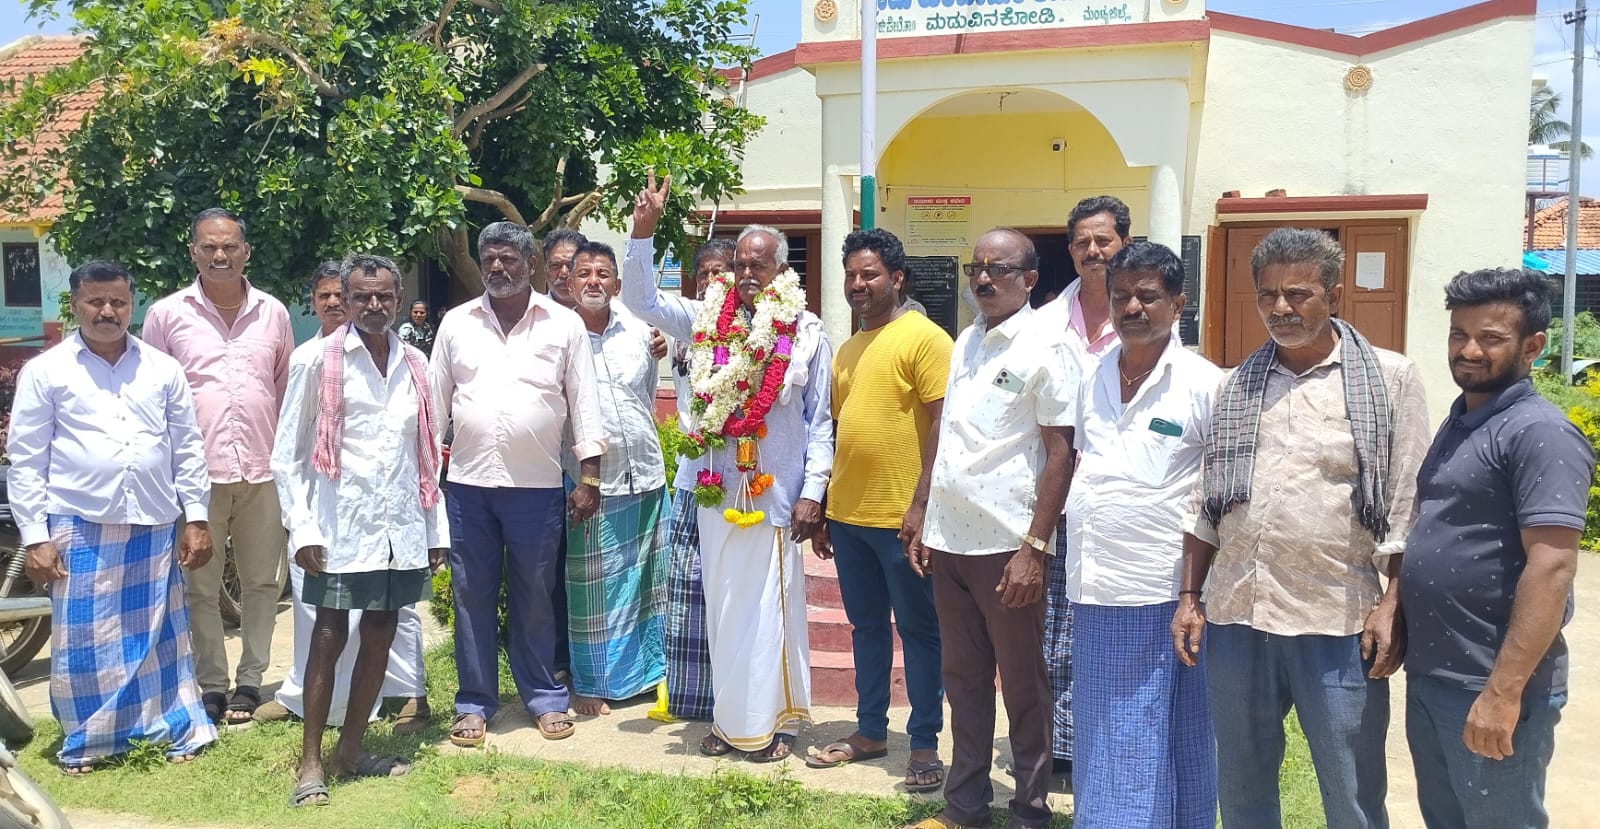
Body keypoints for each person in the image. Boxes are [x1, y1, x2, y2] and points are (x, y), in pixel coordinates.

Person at [1171, 227, 1429, 829]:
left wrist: (1393, 603)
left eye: (1298, 294)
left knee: (1351, 791)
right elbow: (1206, 502)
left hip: (1337, 619)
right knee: (1242, 789)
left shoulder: (1390, 380)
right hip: (1238, 614)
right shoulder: (1236, 384)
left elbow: (1407, 502)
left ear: (1333, 296)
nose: (1280, 308)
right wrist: (1189, 596)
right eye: (1268, 295)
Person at [620, 173, 833, 762]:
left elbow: (820, 421)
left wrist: (814, 492)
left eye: (758, 265)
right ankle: (730, 719)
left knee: (768, 613)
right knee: (723, 608)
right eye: (739, 264)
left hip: (776, 498)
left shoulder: (805, 332)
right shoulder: (705, 319)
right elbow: (641, 301)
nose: (745, 274)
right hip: (717, 494)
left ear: (781, 270)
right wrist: (642, 232)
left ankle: (772, 725)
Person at [7, 260, 217, 772]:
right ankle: (89, 740)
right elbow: (27, 459)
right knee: (85, 637)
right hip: (78, 522)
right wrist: (35, 536)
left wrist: (196, 517)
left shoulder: (162, 368)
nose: (107, 311)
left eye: (118, 302)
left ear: (131, 304)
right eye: (95, 301)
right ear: (75, 304)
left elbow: (187, 447)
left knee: (158, 636)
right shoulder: (46, 371)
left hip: (153, 520)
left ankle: (170, 728)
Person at [1403, 268, 1593, 829]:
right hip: (1436, 675)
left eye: (1490, 338)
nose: (1469, 350)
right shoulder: (1463, 420)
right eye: (1458, 334)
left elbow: (1552, 567)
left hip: (1492, 684)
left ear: (1533, 346)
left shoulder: (1539, 433)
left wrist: (1503, 694)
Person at [908, 228, 1079, 829]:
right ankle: (965, 808)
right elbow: (947, 430)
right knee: (964, 680)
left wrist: (1035, 548)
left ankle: (1030, 811)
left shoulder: (1049, 347)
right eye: (975, 268)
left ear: (1029, 279)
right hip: (950, 541)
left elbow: (1061, 454)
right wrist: (921, 508)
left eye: (998, 269)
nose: (983, 278)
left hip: (1008, 548)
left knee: (1024, 687)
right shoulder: (966, 340)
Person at [272, 253, 446, 806]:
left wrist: (434, 531)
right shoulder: (314, 360)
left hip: (399, 526)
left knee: (381, 631)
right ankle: (310, 764)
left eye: (384, 296)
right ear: (344, 301)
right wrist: (302, 528)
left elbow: (426, 454)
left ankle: (351, 751)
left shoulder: (415, 362)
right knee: (328, 636)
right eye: (362, 296)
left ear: (399, 301)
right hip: (338, 526)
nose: (374, 305)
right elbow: (287, 456)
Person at [431, 221, 606, 746]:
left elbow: (585, 402)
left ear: (531, 264)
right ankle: (474, 703)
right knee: (471, 595)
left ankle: (544, 698)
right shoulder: (456, 323)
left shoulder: (564, 324)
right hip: (467, 486)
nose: (497, 266)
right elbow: (434, 405)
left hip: (537, 486)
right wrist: (426, 479)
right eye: (489, 257)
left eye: (508, 258)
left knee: (534, 596)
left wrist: (589, 475)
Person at [1063, 241, 1219, 827]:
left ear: (1177, 304)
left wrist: (1192, 596)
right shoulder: (1094, 375)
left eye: (1147, 296)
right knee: (1105, 732)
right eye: (1122, 295)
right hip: (1093, 587)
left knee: (1161, 733)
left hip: (1162, 593)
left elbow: (1217, 494)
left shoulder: (1204, 384)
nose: (1132, 307)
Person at [806, 228, 950, 793]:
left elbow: (942, 423)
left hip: (901, 520)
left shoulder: (925, 338)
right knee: (865, 628)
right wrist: (826, 509)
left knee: (919, 630)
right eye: (851, 275)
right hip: (849, 520)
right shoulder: (847, 350)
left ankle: (924, 741)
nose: (858, 284)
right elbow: (839, 433)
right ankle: (869, 732)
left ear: (897, 278)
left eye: (869, 274)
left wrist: (921, 507)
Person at [142, 207, 295, 725]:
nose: (220, 255)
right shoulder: (167, 315)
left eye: (229, 245)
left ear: (246, 251)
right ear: (193, 252)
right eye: (209, 246)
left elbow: (281, 389)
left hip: (261, 469)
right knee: (200, 587)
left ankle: (251, 681)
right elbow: (152, 395)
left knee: (262, 583)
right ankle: (210, 684)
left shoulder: (273, 313)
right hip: (195, 476)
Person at [1034, 194, 1132, 775]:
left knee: (1100, 626)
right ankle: (1055, 746)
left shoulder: (1145, 319)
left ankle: (1093, 743)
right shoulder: (1045, 321)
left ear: (1124, 243)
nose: (1093, 251)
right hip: (1053, 501)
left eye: (1103, 240)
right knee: (1050, 626)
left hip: (1116, 501)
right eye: (1082, 242)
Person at [558, 240, 670, 716]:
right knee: (593, 590)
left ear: (617, 284)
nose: (593, 282)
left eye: (603, 274)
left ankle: (650, 675)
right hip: (591, 483)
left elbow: (645, 396)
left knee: (650, 584)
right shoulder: (557, 336)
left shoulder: (641, 334)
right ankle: (593, 683)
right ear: (569, 283)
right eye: (584, 273)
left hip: (645, 475)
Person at [661, 237, 736, 722]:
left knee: (733, 591)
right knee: (688, 589)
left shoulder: (758, 329)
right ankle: (694, 699)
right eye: (703, 273)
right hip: (694, 479)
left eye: (720, 271)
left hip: (743, 484)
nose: (711, 281)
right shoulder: (685, 328)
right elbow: (642, 298)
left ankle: (739, 699)